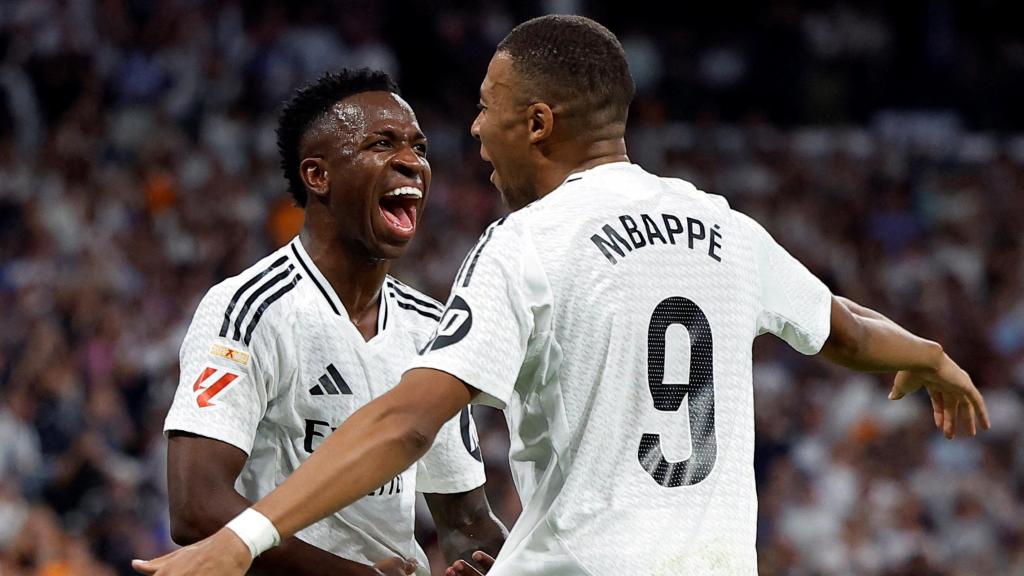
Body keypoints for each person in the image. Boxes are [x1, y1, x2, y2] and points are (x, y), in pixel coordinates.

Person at [133, 16, 989, 576]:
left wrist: (242, 542)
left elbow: (405, 424)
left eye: (483, 110)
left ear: (536, 124)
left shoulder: (525, 244)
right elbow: (844, 327)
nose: (471, 135)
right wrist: (932, 355)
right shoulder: (722, 224)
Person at [156, 69, 506, 576]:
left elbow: (465, 522)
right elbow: (196, 507)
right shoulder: (249, 308)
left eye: (419, 147)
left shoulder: (432, 328)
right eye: (382, 143)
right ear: (318, 175)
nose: (411, 161)